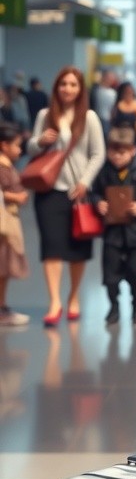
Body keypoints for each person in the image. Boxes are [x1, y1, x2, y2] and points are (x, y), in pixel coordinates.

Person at [26, 66, 106, 326]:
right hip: (49, 191)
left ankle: (73, 297)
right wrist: (41, 141)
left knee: (77, 249)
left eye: (73, 84)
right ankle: (54, 302)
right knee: (51, 247)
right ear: (56, 88)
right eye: (63, 84)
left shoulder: (90, 117)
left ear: (80, 89)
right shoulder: (45, 115)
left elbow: (98, 153)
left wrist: (85, 181)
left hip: (78, 192)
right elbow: (30, 148)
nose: (68, 89)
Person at [91, 126, 136, 327]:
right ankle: (113, 307)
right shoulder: (104, 172)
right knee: (110, 275)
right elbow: (94, 192)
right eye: (113, 151)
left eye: (122, 152)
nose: (117, 157)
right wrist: (98, 202)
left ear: (133, 151)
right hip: (112, 233)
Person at [0, 123, 30, 327]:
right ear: (4, 145)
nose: (19, 150)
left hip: (9, 220)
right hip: (4, 222)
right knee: (2, 266)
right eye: (17, 145)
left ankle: (2, 305)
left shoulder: (8, 166)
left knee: (4, 268)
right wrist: (16, 197)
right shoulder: (2, 168)